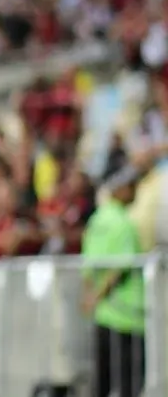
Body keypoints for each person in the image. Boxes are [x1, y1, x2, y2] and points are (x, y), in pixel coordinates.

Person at [82, 166, 146, 397]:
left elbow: (88, 268)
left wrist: (90, 298)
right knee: (131, 385)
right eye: (131, 186)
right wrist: (97, 296)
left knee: (101, 384)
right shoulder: (123, 223)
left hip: (103, 316)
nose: (135, 190)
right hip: (127, 318)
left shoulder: (96, 220)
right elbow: (120, 268)